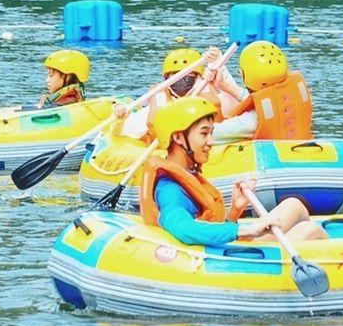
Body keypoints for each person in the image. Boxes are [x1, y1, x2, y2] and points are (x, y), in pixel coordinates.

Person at [130, 96, 315, 250]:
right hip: (214, 261)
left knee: (294, 205)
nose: (211, 142)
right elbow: (182, 227)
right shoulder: (169, 189)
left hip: (218, 247)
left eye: (211, 133)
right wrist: (247, 230)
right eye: (204, 134)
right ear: (178, 137)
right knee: (310, 232)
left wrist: (235, 210)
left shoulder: (185, 174)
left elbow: (208, 224)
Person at [223, 40, 313, 141]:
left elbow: (211, 132)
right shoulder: (293, 97)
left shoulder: (250, 121)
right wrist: (223, 83)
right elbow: (259, 102)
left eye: (240, 72)